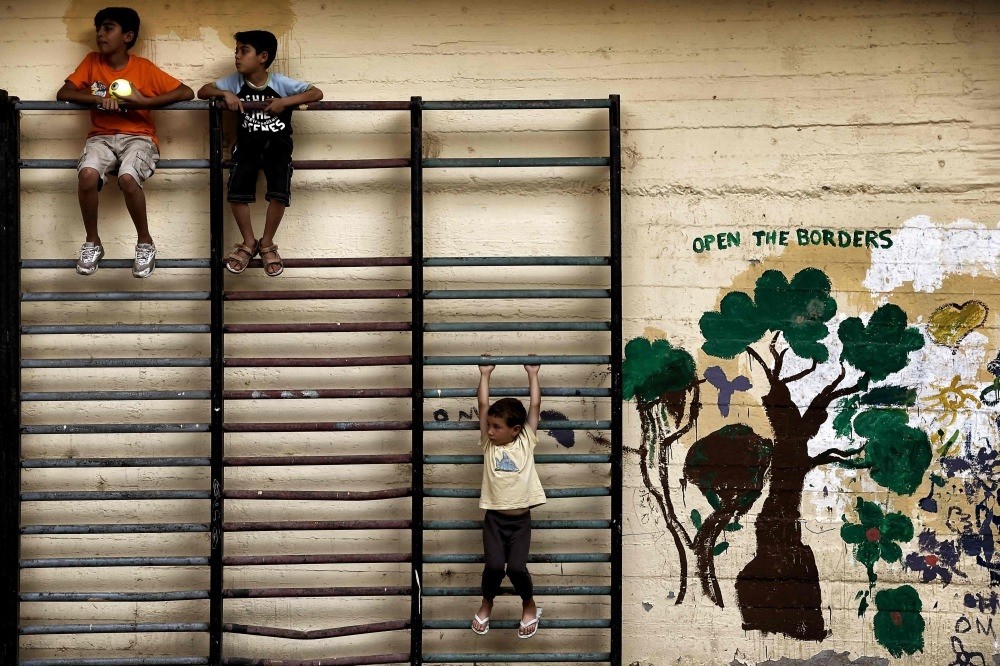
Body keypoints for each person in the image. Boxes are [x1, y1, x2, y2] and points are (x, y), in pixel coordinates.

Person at [57, 7, 194, 277]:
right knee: (86, 175)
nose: (100, 34)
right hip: (101, 137)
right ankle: (93, 242)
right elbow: (64, 93)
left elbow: (186, 92)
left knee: (128, 178)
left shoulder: (143, 68)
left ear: (128, 36)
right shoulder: (91, 61)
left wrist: (144, 102)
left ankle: (145, 243)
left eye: (108, 28)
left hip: (139, 138)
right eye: (98, 28)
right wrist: (99, 100)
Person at [197, 30, 323, 276]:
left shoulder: (280, 83)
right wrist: (224, 93)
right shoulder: (234, 82)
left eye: (244, 51)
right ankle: (248, 242)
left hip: (278, 145)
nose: (237, 56)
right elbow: (202, 91)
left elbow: (316, 93)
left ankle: (267, 243)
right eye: (236, 51)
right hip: (247, 144)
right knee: (236, 192)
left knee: (279, 193)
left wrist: (285, 102)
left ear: (263, 57)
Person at [472, 360, 545, 639]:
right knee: (493, 567)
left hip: (520, 522)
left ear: (515, 429)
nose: (490, 431)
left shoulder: (526, 440)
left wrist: (533, 374)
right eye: (489, 426)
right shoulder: (488, 444)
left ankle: (529, 604)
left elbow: (535, 405)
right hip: (494, 520)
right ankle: (486, 603)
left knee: (515, 568)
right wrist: (485, 374)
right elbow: (483, 405)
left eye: (496, 427)